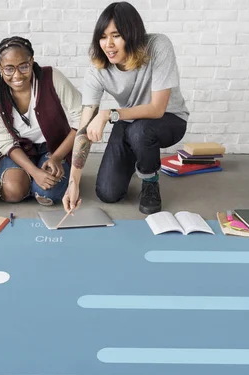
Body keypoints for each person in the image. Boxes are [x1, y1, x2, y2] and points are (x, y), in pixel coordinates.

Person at [63, 1, 189, 215]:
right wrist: (73, 181)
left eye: (116, 35)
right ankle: (137, 157)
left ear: (132, 34)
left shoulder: (158, 46)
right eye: (103, 37)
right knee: (108, 193)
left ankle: (150, 179)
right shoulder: (98, 70)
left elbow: (158, 109)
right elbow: (84, 127)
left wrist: (109, 114)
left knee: (141, 131)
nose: (108, 44)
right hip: (128, 121)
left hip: (169, 119)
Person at [0, 36, 83, 205]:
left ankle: (37, 181)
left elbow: (81, 118)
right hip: (19, 150)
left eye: (23, 66)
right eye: (9, 69)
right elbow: (4, 141)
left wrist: (57, 157)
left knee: (48, 194)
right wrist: (34, 171)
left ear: (32, 61)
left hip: (53, 147)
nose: (17, 75)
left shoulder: (52, 77)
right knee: (11, 193)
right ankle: (27, 178)